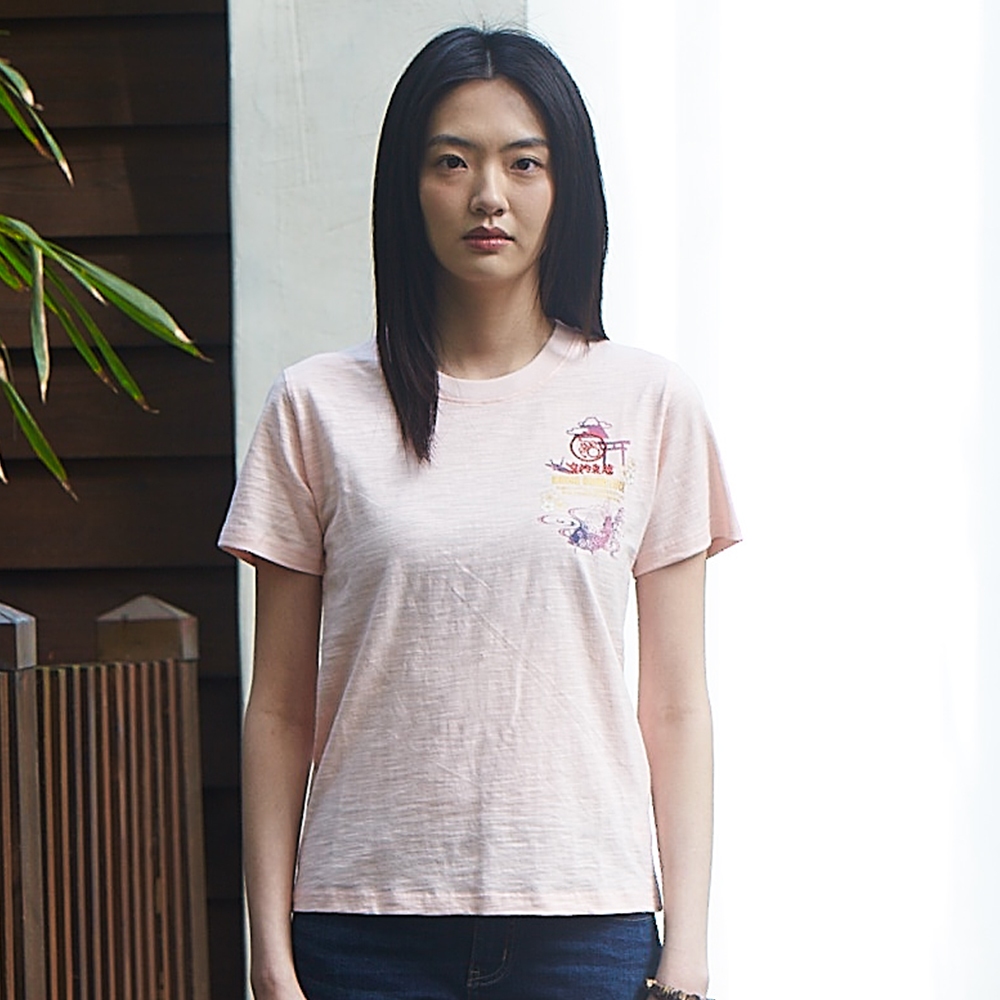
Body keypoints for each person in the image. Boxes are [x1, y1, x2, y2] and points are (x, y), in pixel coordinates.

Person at [219, 25, 740, 1000]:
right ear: (406, 188)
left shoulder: (647, 402)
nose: (487, 194)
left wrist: (689, 953)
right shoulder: (315, 407)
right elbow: (280, 707)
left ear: (566, 186)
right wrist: (271, 957)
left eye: (523, 162)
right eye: (451, 162)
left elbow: (675, 702)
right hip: (362, 934)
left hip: (585, 929)